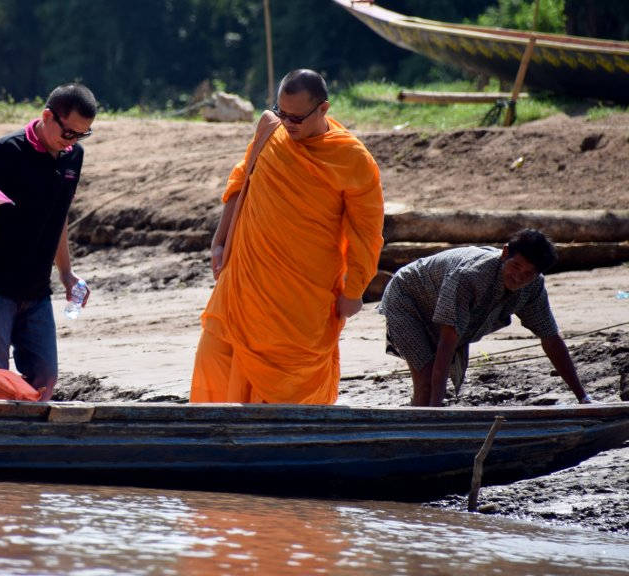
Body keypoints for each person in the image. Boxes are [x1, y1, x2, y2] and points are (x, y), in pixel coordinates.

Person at [191, 69, 385, 404]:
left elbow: (366, 232)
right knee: (217, 358)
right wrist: (219, 242)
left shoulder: (353, 159)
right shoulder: (271, 131)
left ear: (323, 109)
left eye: (296, 117)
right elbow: (242, 180)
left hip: (301, 300)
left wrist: (354, 290)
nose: (287, 123)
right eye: (282, 112)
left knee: (291, 384)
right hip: (244, 281)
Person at [0, 83, 98, 401]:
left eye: (83, 134)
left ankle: (27, 445)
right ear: (48, 116)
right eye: (69, 133)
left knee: (45, 378)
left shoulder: (72, 157)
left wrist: (66, 273)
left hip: (36, 290)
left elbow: (59, 217)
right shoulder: (6, 151)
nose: (74, 141)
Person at [378, 228, 592, 406]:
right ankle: (422, 429)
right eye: (515, 266)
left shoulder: (533, 286)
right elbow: (447, 341)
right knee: (426, 381)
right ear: (504, 253)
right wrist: (436, 413)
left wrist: (583, 398)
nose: (518, 277)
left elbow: (550, 337)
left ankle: (422, 420)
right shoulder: (470, 276)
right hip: (407, 299)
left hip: (440, 305)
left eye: (528, 274)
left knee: (432, 387)